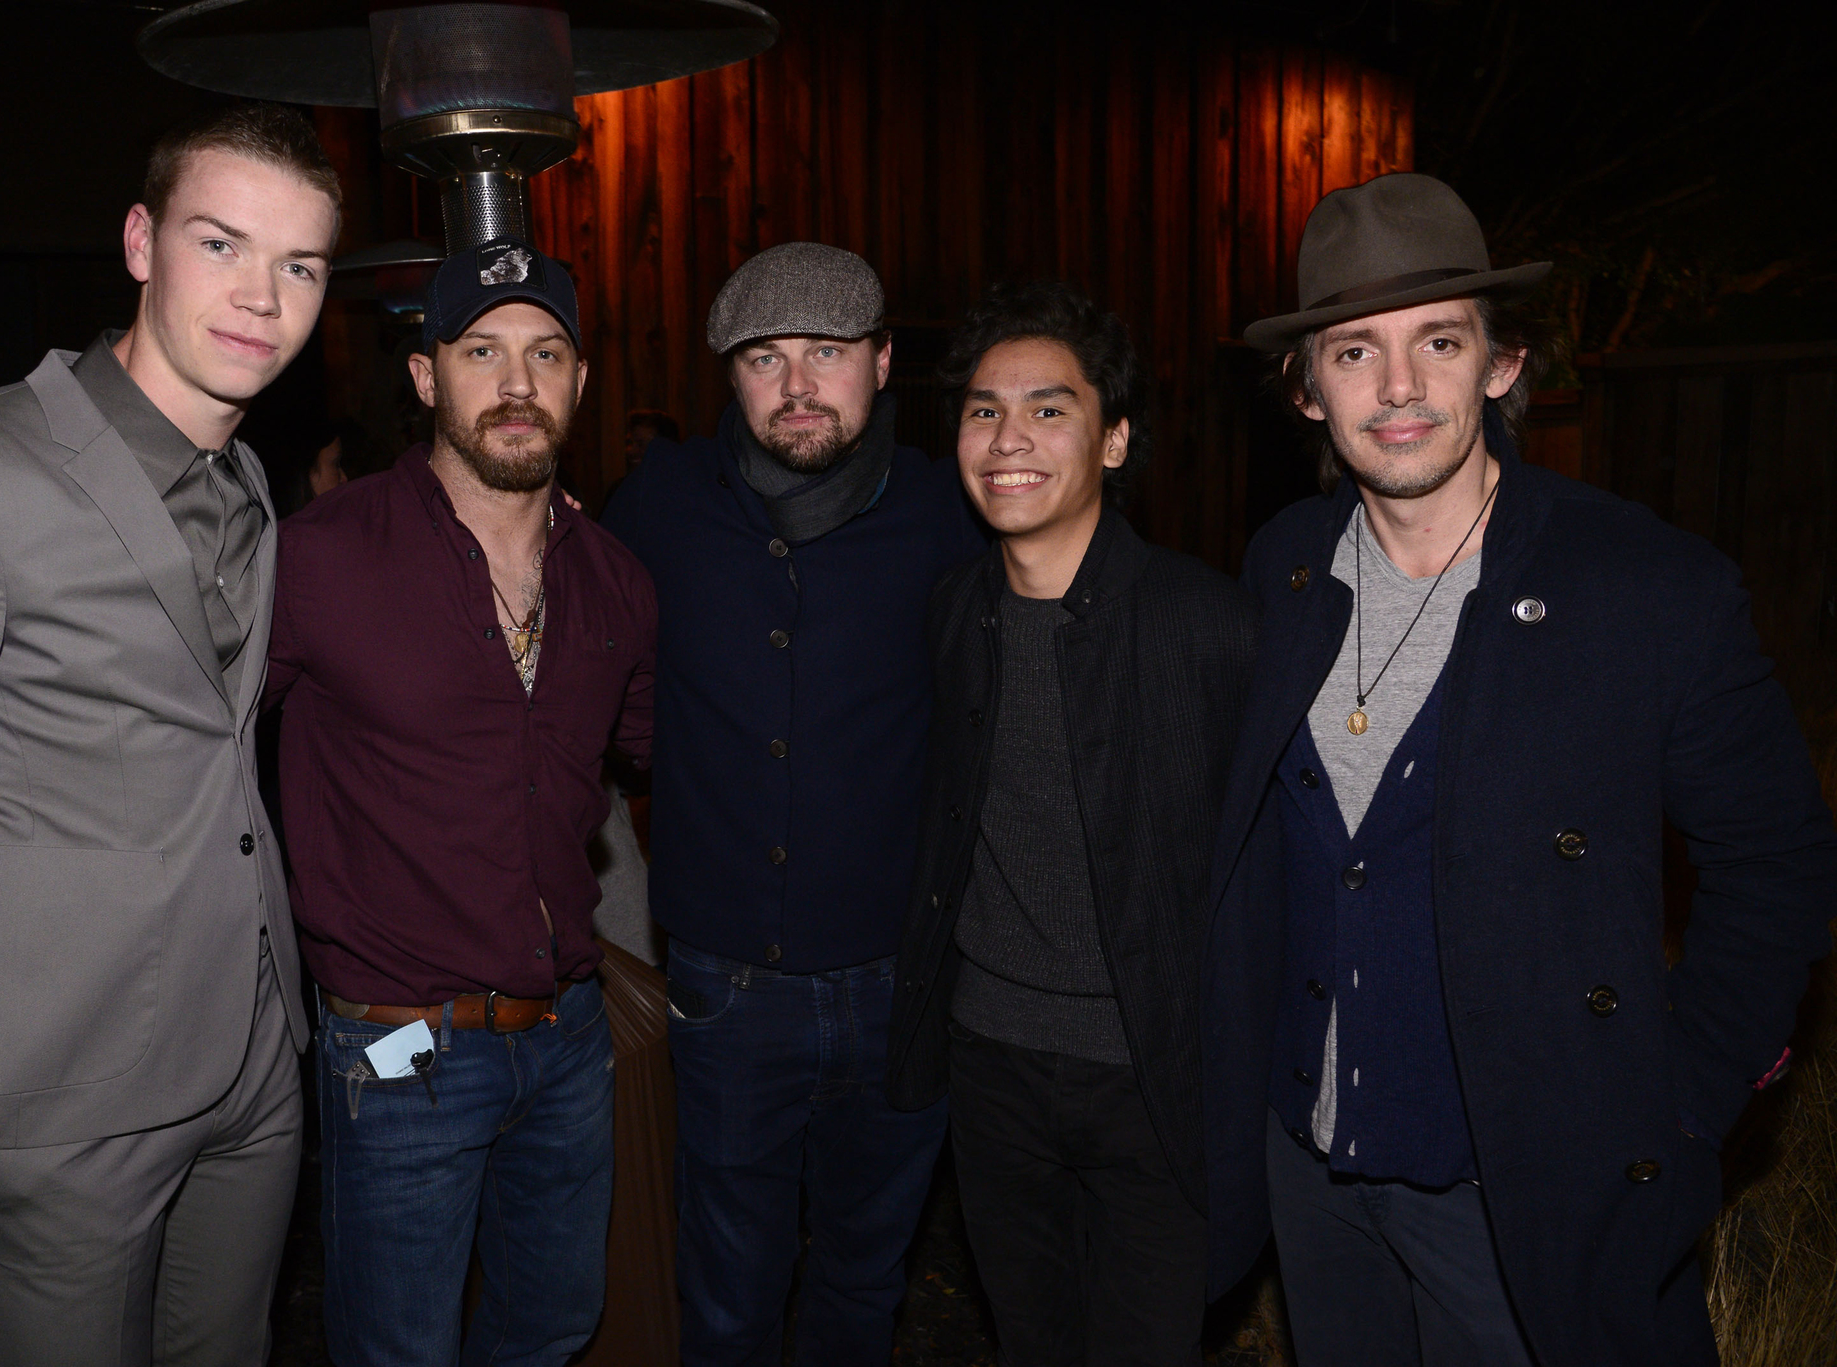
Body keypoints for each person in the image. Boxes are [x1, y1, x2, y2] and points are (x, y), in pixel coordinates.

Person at [1200, 172, 1837, 1366]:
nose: (1395, 388)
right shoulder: (1282, 565)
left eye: (1436, 341)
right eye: (1352, 352)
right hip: (1312, 1170)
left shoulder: (1644, 588)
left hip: (1519, 1183)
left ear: (1499, 364)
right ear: (1304, 390)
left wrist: (1680, 1105)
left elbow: (1778, 864)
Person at [0, 102, 339, 1364]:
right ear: (141, 242)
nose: (262, 295)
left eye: (298, 264)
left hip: (252, 1061)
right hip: (56, 1089)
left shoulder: (247, 480)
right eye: (222, 243)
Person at [265, 235, 654, 1367]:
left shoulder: (616, 582)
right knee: (398, 1348)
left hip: (568, 1039)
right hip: (398, 1050)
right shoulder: (321, 558)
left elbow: (648, 755)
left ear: (580, 380)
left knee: (550, 1325)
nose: (517, 382)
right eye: (482, 350)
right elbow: (191, 732)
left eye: (546, 352)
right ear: (428, 376)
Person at [602, 242, 985, 1365]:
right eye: (764, 358)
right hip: (727, 985)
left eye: (825, 353)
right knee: (726, 1293)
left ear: (878, 363)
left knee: (863, 1283)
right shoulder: (660, 503)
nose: (797, 384)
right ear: (729, 374)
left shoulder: (948, 514)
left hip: (901, 981)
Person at [887, 282, 1255, 1366]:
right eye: (982, 410)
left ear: (1114, 438)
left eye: (1049, 409)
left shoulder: (1209, 624)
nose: (1009, 439)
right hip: (992, 1066)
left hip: (1150, 1078)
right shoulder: (955, 610)